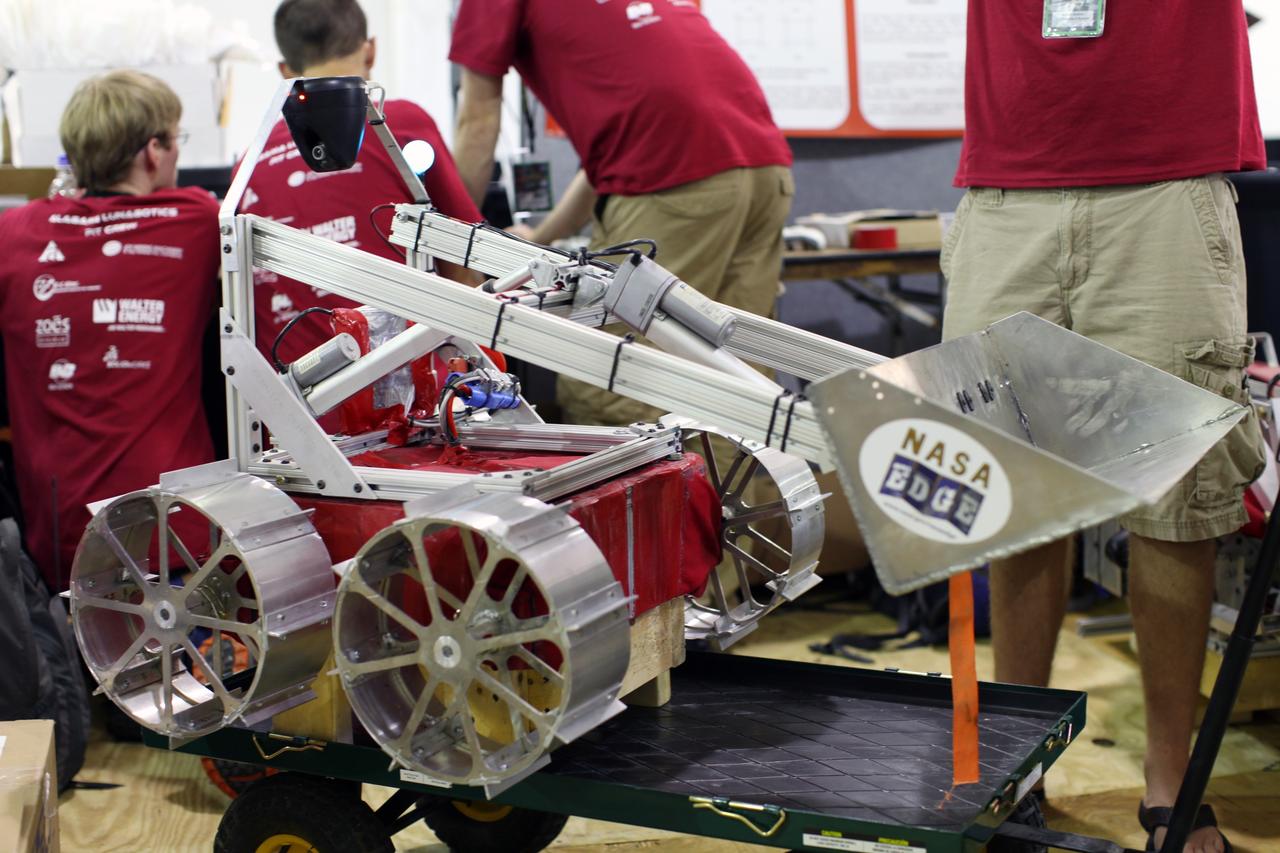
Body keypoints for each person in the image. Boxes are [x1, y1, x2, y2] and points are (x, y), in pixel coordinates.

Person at [941, 4, 1265, 852]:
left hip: (1165, 187)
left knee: (1177, 495)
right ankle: (1017, 763)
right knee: (1013, 493)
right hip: (1009, 190)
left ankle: (1172, 782)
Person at [450, 0, 794, 426]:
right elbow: (616, 157)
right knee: (737, 376)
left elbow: (478, 122)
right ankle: (738, 494)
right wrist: (543, 237)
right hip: (764, 166)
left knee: (612, 375)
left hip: (673, 177)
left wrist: (451, 247)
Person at [0, 69, 221, 591]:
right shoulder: (195, 219)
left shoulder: (12, 233)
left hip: (58, 537)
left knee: (74, 669)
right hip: (175, 535)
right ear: (153, 150)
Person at [244, 0, 482, 369]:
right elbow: (465, 261)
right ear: (370, 50)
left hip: (296, 405)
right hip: (414, 399)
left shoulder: (249, 163)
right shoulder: (400, 122)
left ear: (285, 71)